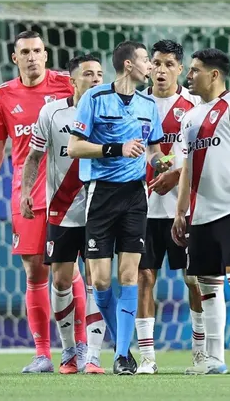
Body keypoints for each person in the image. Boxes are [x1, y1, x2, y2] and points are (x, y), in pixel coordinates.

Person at [0, 30, 77, 374]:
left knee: (68, 270)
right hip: (26, 194)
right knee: (34, 270)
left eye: (37, 50)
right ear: (15, 58)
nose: (32, 57)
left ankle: (80, 349)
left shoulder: (67, 84)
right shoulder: (3, 95)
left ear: (46, 55)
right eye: (25, 52)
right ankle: (43, 354)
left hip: (66, 191)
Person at [67, 41, 169, 375]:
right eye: (145, 60)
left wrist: (160, 161)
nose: (150, 67)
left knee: (128, 275)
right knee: (100, 282)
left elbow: (152, 148)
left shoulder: (148, 104)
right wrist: (116, 148)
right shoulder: (94, 98)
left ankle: (122, 355)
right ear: (128, 64)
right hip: (101, 194)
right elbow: (74, 147)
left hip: (135, 196)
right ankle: (119, 343)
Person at [171, 48, 230, 375]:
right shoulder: (189, 117)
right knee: (207, 284)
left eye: (195, 70)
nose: (189, 75)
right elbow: (186, 167)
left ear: (214, 74)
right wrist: (180, 211)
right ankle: (214, 358)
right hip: (199, 215)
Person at [21, 54, 106, 374]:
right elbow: (33, 156)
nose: (96, 79)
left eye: (100, 74)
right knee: (60, 280)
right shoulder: (52, 112)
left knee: (98, 280)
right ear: (72, 81)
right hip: (61, 209)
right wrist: (26, 192)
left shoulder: (110, 110)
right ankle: (69, 349)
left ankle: (91, 352)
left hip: (99, 209)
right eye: (88, 74)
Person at [135, 40, 204, 374]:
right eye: (156, 64)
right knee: (144, 277)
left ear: (180, 69)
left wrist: (176, 175)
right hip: (142, 209)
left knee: (194, 280)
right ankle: (147, 357)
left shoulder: (194, 104)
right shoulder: (134, 103)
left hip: (184, 208)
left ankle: (201, 353)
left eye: (168, 65)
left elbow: (203, 154)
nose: (161, 70)